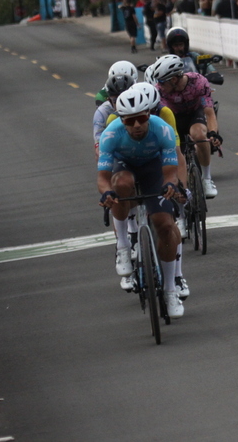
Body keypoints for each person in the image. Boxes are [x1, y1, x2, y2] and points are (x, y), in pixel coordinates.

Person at [97, 88, 185, 318]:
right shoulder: (111, 134)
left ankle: (169, 290)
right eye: (130, 120)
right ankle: (124, 247)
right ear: (121, 120)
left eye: (142, 118)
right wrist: (106, 193)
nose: (137, 125)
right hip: (124, 167)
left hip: (153, 169)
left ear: (148, 115)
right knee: (121, 185)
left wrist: (170, 185)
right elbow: (103, 179)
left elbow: (170, 172)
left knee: (165, 226)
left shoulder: (162, 129)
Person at [152, 55, 221, 198]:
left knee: (199, 135)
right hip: (172, 118)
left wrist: (213, 132)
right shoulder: (158, 90)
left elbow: (209, 112)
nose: (159, 84)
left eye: (162, 81)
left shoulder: (198, 82)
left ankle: (206, 179)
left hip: (193, 114)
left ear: (174, 79)